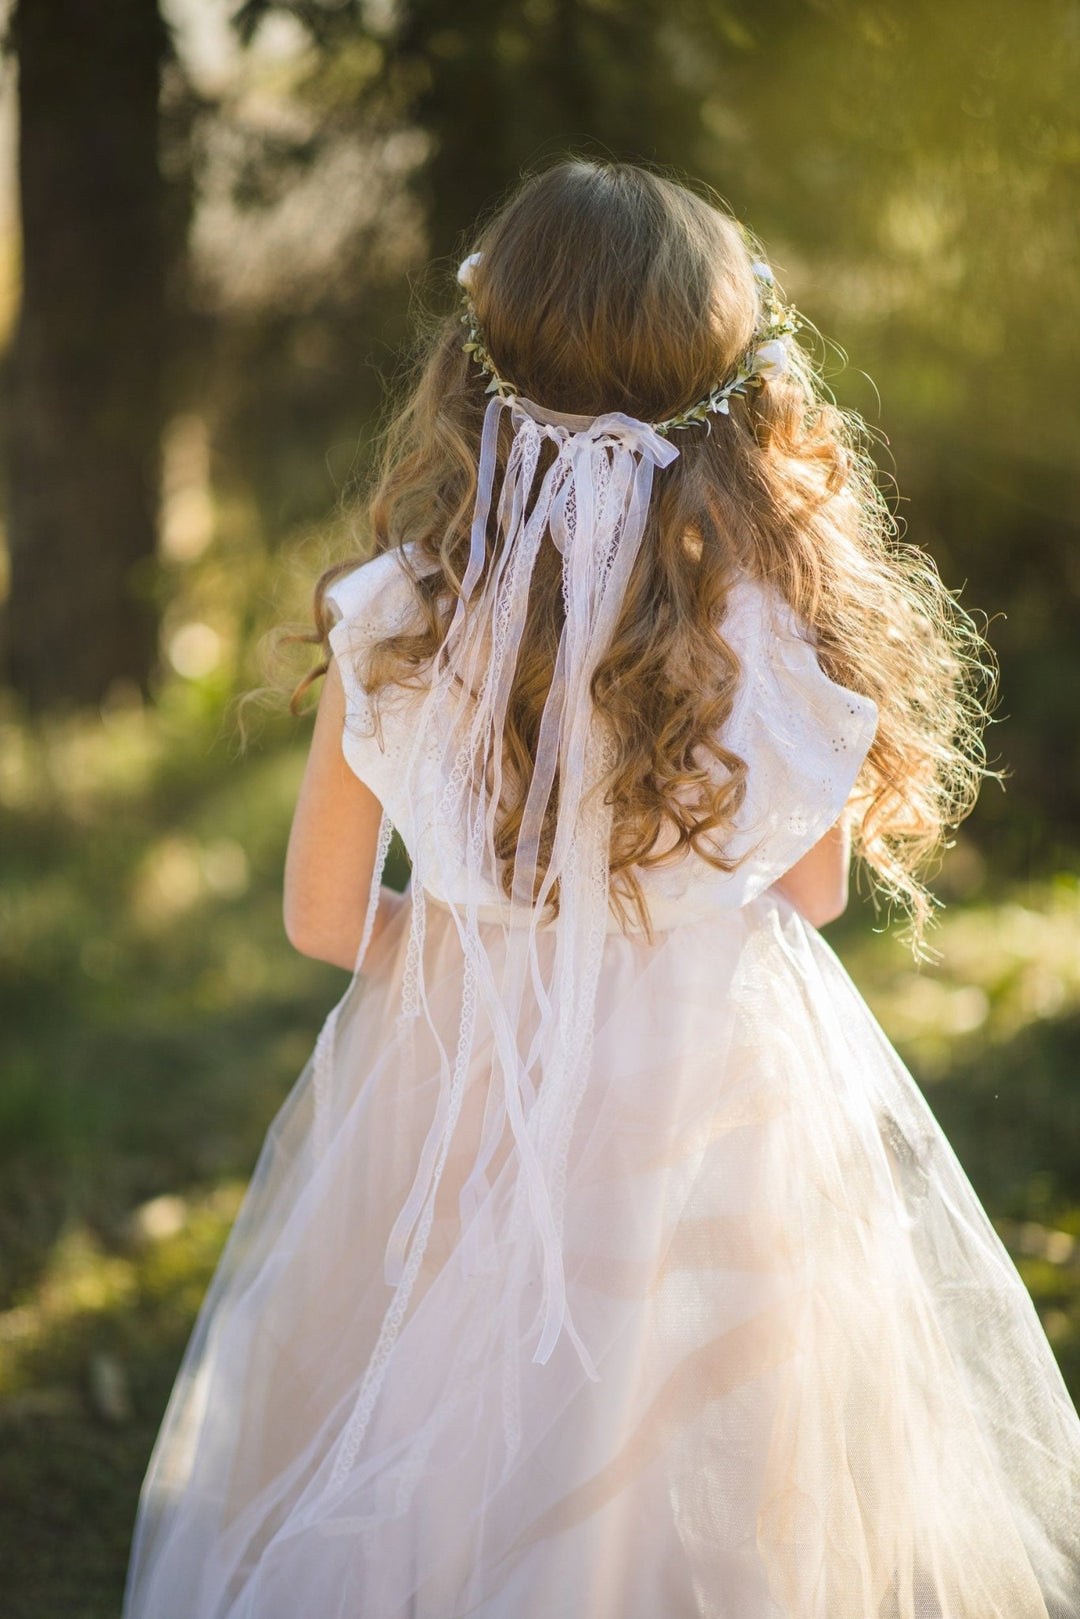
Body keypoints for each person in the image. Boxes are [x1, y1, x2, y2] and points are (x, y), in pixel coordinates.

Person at [122, 160, 1080, 1619]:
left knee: (451, 1410)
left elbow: (324, 920)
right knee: (727, 1418)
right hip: (720, 1100)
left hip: (457, 1089)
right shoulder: (784, 631)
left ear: (475, 370)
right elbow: (808, 902)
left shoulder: (391, 621)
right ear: (740, 387)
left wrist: (477, 957)